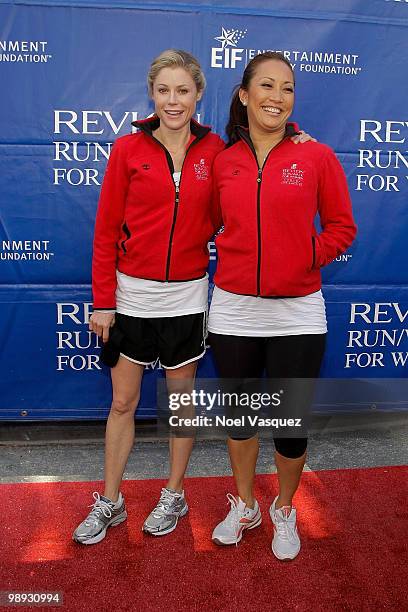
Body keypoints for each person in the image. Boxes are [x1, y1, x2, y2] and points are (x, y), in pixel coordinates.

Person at [72, 49, 313, 545]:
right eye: (164, 91)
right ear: (152, 94)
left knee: (181, 405)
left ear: (199, 94)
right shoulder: (127, 150)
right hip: (129, 298)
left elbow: (259, 176)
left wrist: (294, 139)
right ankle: (111, 500)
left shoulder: (218, 155)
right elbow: (103, 233)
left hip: (187, 299)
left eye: (183, 90)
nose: (173, 101)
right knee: (123, 403)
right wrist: (103, 300)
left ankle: (174, 494)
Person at [208, 51, 357, 559]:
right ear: (244, 95)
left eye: (287, 88)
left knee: (291, 423)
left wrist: (302, 255)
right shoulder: (223, 161)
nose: (277, 97)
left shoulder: (315, 156)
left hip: (297, 309)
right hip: (233, 309)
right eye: (267, 86)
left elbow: (342, 228)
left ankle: (285, 509)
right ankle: (247, 503)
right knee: (240, 419)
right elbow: (205, 225)